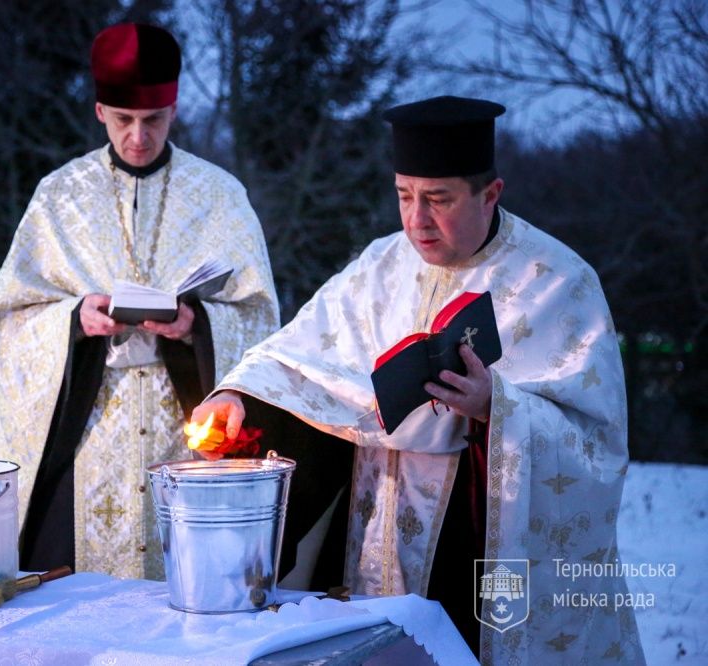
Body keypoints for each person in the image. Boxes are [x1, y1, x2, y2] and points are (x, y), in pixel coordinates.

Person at [193, 96, 644, 662]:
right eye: (404, 195)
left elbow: (596, 446)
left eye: (438, 199)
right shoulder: (379, 265)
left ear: (490, 194)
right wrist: (238, 395)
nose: (416, 220)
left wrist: (495, 409)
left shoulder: (559, 282)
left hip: (473, 553)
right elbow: (296, 354)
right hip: (372, 534)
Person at [0, 23, 280, 581]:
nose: (138, 136)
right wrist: (74, 318)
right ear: (99, 111)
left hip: (186, 429)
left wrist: (197, 324)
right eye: (123, 120)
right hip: (86, 427)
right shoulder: (59, 195)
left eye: (154, 120)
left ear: (174, 109)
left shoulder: (219, 194)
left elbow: (260, 317)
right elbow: (5, 320)